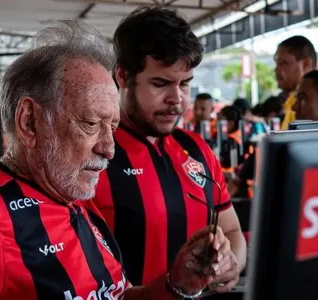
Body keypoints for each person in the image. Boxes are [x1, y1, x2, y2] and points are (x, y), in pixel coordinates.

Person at [0, 20, 234, 300]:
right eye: (91, 124)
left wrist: (175, 285)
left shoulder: (74, 199)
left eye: (113, 127)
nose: (109, 148)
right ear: (29, 122)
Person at [93, 6, 246, 290]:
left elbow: (233, 229)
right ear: (123, 77)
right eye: (161, 83)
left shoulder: (197, 149)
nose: (176, 99)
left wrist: (231, 262)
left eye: (185, 84)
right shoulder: (93, 157)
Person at [274, 36, 317, 130]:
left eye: (282, 63)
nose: (276, 70)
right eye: (276, 64)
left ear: (306, 64)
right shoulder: (290, 102)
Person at [217, 105, 243, 171]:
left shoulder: (231, 141)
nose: (217, 124)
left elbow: (225, 162)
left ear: (231, 123)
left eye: (220, 121)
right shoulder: (241, 134)